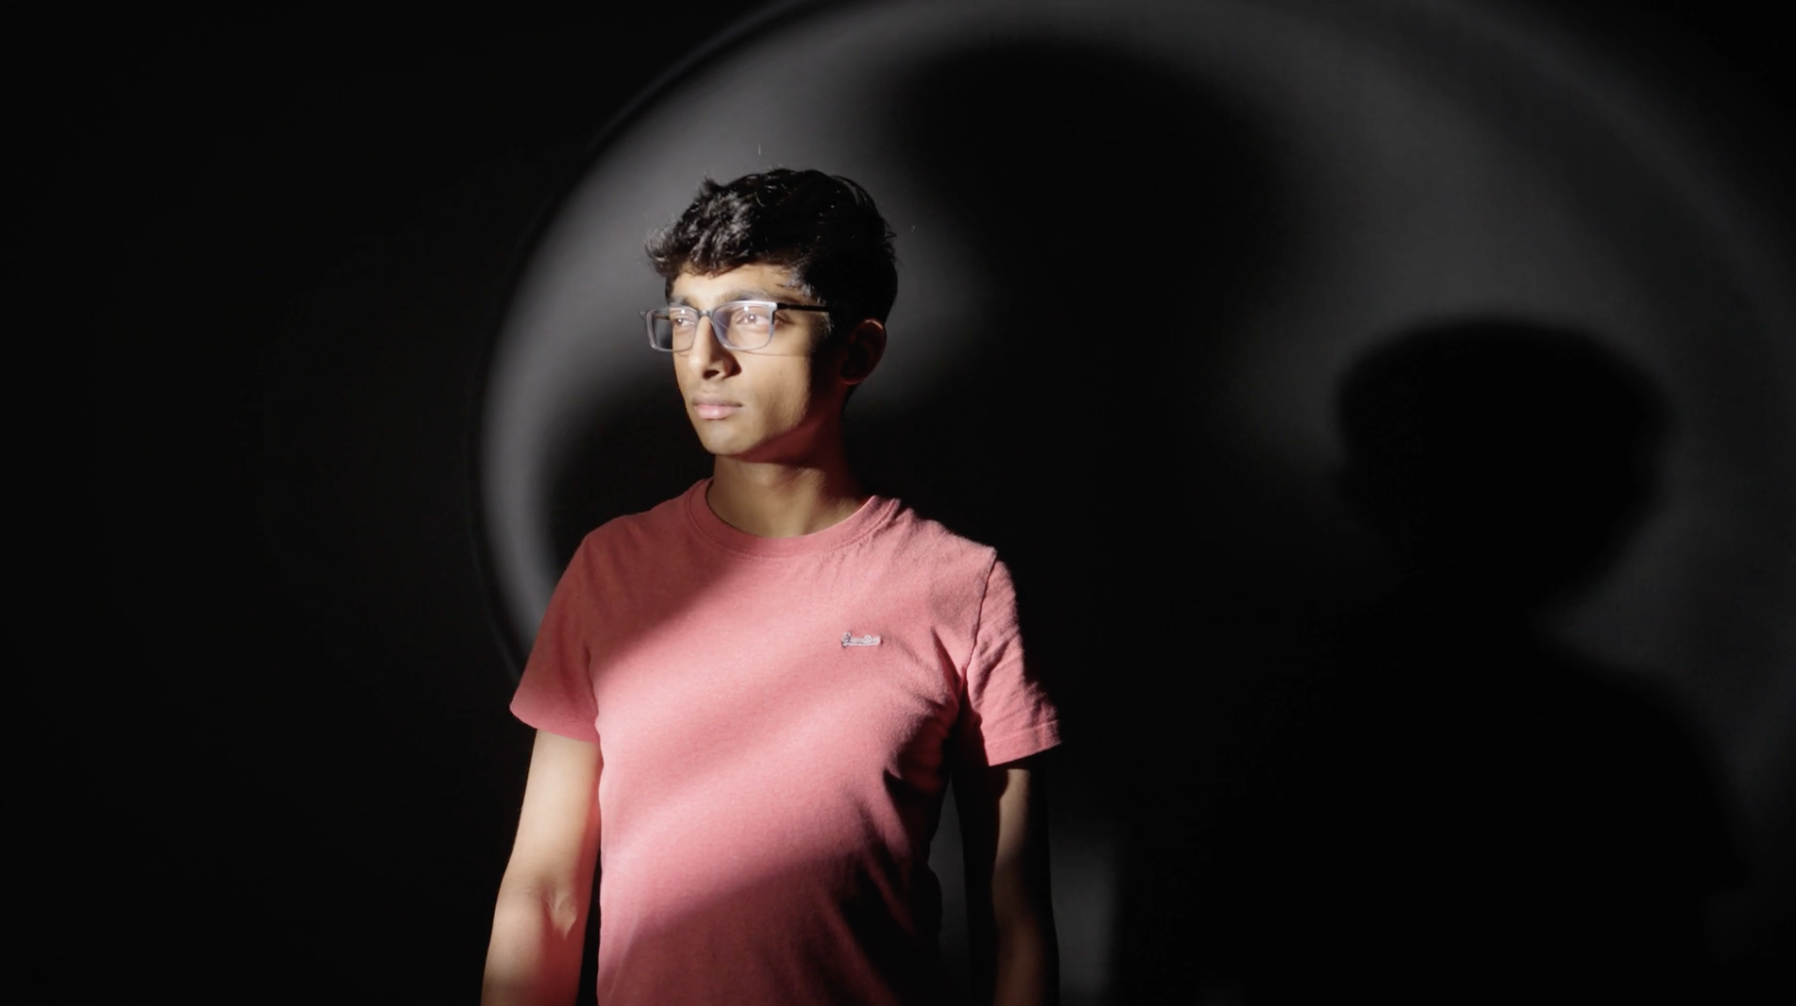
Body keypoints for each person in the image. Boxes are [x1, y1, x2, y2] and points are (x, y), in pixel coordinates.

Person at [481, 169, 1062, 1006]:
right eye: (683, 319)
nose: (705, 358)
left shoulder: (961, 587)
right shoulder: (609, 568)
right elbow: (544, 893)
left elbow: (1015, 921)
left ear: (857, 349)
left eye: (752, 318)